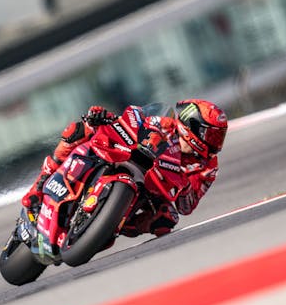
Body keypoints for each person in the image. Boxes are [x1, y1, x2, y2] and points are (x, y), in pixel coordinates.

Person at [21, 99, 228, 237]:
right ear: (191, 125)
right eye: (211, 135)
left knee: (166, 220)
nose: (216, 143)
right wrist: (105, 118)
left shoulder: (208, 167)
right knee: (79, 130)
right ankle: (38, 187)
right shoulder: (165, 124)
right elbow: (133, 121)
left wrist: (183, 185)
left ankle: (108, 226)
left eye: (219, 137)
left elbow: (186, 207)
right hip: (129, 157)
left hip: (154, 191)